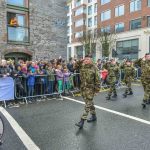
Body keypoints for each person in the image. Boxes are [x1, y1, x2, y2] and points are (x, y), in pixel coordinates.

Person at [75, 55, 100, 129]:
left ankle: (82, 121)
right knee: (89, 103)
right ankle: (94, 116)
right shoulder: (82, 66)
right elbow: (75, 66)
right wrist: (80, 60)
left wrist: (97, 90)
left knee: (88, 105)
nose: (86, 60)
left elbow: (98, 80)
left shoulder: (94, 68)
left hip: (90, 89)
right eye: (85, 59)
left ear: (91, 60)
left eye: (87, 59)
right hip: (83, 88)